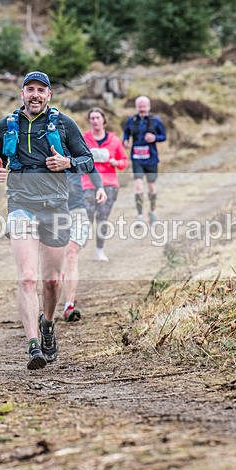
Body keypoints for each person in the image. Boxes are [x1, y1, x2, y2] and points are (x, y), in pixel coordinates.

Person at [0, 71, 94, 370]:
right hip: (20, 206)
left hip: (56, 208)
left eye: (40, 90)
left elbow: (87, 160)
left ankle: (47, 324)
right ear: (22, 93)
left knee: (50, 281)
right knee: (27, 278)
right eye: (29, 89)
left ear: (49, 95)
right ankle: (33, 343)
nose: (34, 95)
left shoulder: (63, 124)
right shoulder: (7, 124)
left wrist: (67, 162)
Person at [82, 108, 128, 262]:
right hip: (88, 183)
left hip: (109, 183)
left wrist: (117, 162)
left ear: (104, 120)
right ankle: (76, 248)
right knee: (86, 217)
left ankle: (99, 251)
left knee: (102, 218)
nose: (95, 120)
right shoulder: (84, 138)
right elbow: (77, 157)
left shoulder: (114, 140)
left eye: (97, 117)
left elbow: (124, 161)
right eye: (92, 118)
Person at [60, 168, 106, 323]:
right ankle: (53, 302)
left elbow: (90, 167)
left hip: (77, 210)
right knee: (57, 262)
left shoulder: (74, 146)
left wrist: (99, 187)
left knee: (71, 254)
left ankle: (69, 306)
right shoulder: (43, 148)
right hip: (51, 212)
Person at [123, 96, 167, 223]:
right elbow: (126, 132)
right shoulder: (131, 120)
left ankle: (152, 212)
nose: (142, 109)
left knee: (152, 187)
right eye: (139, 106)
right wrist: (125, 141)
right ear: (136, 107)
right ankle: (140, 215)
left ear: (149, 107)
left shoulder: (156, 121)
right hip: (137, 158)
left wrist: (155, 138)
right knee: (138, 185)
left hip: (151, 158)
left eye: (144, 106)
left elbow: (163, 136)